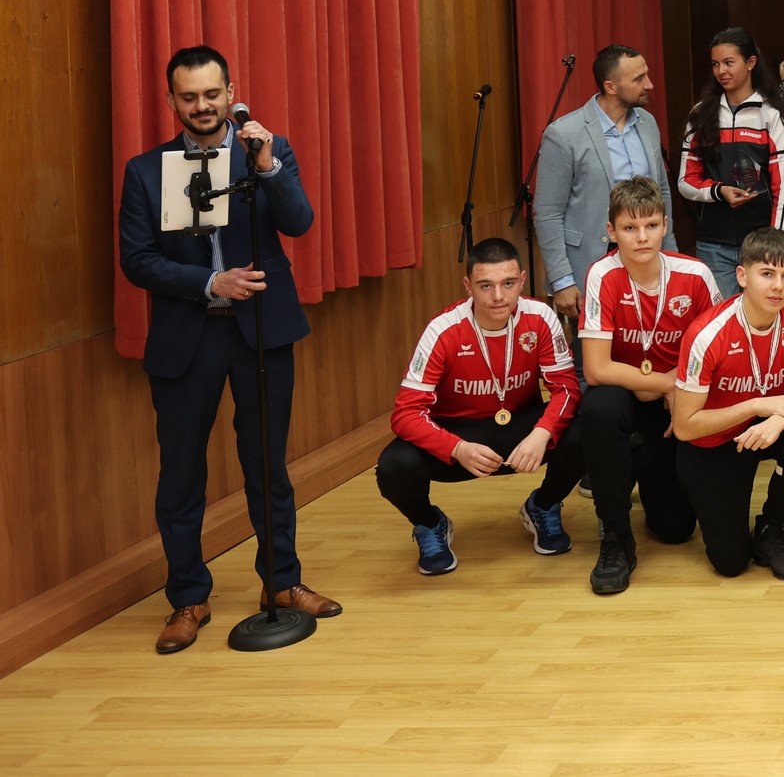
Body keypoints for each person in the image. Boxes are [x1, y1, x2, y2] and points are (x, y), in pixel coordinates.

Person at [120, 45, 338, 652]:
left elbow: (299, 222)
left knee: (267, 464)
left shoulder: (266, 151)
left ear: (230, 93)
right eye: (189, 97)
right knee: (181, 472)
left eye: (212, 94)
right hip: (187, 336)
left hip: (260, 329)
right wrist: (209, 281)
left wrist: (268, 167)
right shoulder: (145, 171)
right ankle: (188, 597)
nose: (202, 106)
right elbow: (137, 260)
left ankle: (282, 583)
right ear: (172, 101)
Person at [379, 238, 583, 576]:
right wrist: (456, 447)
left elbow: (566, 389)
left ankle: (543, 505)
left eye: (508, 283)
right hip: (460, 437)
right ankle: (429, 523)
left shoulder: (540, 317)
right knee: (393, 465)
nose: (498, 296)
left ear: (522, 280)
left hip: (522, 430)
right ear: (468, 285)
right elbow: (405, 414)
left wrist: (542, 433)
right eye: (486, 285)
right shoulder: (443, 330)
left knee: (588, 425)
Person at [576, 178, 715, 594]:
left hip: (675, 405)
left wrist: (680, 393)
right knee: (599, 407)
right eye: (630, 228)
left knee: (675, 530)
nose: (642, 237)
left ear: (665, 225)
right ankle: (615, 536)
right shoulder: (602, 274)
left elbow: (715, 354)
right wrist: (665, 382)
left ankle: (633, 461)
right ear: (611, 231)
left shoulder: (695, 275)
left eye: (651, 225)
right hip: (625, 393)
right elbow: (596, 369)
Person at [669, 228, 784, 581]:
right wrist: (756, 406)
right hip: (713, 441)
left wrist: (778, 421)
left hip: (767, 429)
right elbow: (684, 426)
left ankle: (771, 528)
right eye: (767, 274)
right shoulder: (707, 333)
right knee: (730, 563)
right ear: (742, 276)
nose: (778, 286)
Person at [532, 44, 676, 321]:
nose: (649, 84)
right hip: (591, 265)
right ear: (610, 86)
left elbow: (663, 192)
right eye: (638, 79)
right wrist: (562, 281)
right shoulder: (563, 134)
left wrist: (671, 255)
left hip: (648, 260)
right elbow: (548, 213)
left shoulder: (647, 123)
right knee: (593, 347)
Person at [677, 26, 784, 300]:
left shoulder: (771, 115)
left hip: (760, 244)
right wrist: (719, 191)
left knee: (762, 317)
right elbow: (685, 181)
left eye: (729, 62)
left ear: (751, 62)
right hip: (713, 244)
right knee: (720, 319)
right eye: (715, 64)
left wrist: (778, 242)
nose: (721, 71)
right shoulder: (700, 115)